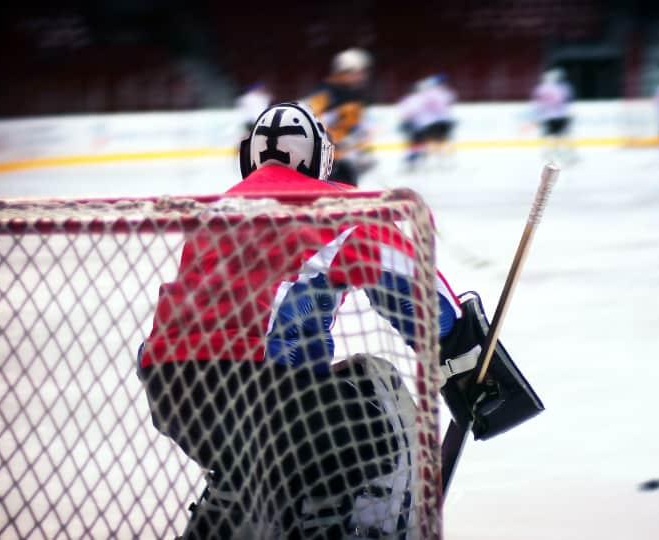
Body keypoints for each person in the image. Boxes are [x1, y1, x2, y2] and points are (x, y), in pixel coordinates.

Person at [137, 102, 544, 539]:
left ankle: (230, 516)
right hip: (263, 389)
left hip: (172, 393)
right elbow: (408, 282)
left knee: (256, 472)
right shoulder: (332, 207)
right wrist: (462, 349)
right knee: (378, 409)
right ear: (318, 158)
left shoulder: (216, 213)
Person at [303, 48, 376, 187]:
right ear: (346, 72)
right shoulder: (325, 93)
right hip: (327, 161)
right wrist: (334, 141)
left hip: (344, 160)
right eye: (359, 72)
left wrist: (360, 145)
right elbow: (310, 122)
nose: (363, 76)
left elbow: (354, 126)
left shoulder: (353, 95)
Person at [397, 75, 458, 171]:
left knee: (423, 142)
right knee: (434, 141)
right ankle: (436, 159)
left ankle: (417, 160)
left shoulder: (421, 97)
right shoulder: (440, 93)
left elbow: (408, 113)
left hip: (425, 124)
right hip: (432, 123)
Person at [531, 68, 576, 164]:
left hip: (549, 116)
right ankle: (564, 155)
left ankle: (552, 155)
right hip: (560, 115)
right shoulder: (562, 88)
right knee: (562, 136)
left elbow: (538, 103)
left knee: (552, 137)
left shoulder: (541, 89)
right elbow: (566, 100)